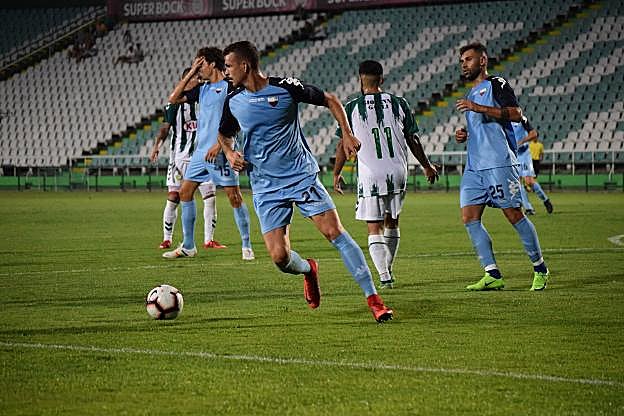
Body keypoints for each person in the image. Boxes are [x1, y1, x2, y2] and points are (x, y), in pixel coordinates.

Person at [217, 41, 393, 322]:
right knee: (279, 258)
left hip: (301, 176)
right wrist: (229, 153)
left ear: (244, 66)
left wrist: (347, 133)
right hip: (265, 186)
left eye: (228, 66)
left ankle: (374, 299)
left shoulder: (286, 87)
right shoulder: (233, 99)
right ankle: (309, 269)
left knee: (335, 233)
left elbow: (330, 99)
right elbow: (224, 134)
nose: (225, 72)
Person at [333, 60, 438, 289]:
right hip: (398, 171)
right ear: (381, 79)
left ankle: (384, 275)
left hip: (371, 174)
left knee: (374, 227)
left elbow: (342, 145)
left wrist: (336, 172)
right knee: (392, 222)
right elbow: (413, 138)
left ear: (360, 79)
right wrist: (427, 165)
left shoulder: (351, 108)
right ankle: (388, 269)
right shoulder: (399, 103)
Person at [455, 42, 550, 291]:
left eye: (468, 59)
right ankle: (492, 274)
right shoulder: (470, 95)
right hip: (474, 166)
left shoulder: (496, 84)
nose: (464, 64)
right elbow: (482, 126)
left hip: (499, 163)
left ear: (482, 61)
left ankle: (540, 269)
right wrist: (464, 133)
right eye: (462, 61)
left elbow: (516, 113)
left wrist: (478, 108)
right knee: (469, 217)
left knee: (514, 215)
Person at [163, 47, 255, 261]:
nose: (198, 69)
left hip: (221, 152)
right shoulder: (202, 89)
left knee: (234, 197)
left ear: (212, 64)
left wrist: (220, 144)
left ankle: (247, 245)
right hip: (200, 153)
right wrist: (191, 72)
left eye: (201, 64)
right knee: (185, 193)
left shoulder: (230, 87)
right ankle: (188, 245)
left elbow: (238, 119)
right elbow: (173, 98)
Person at [150, 68, 222, 250]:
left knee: (210, 196)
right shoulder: (174, 104)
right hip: (178, 157)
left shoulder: (205, 99)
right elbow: (165, 128)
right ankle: (167, 238)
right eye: (195, 78)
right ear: (186, 80)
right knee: (174, 197)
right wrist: (157, 146)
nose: (199, 81)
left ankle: (209, 240)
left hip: (202, 156)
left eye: (199, 78)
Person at [512, 120, 554, 215]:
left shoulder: (521, 119)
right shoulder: (504, 120)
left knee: (529, 181)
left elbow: (534, 134)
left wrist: (521, 141)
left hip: (524, 154)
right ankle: (528, 208)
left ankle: (545, 200)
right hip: (514, 154)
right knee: (518, 182)